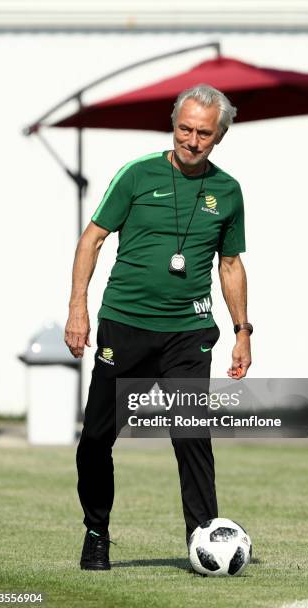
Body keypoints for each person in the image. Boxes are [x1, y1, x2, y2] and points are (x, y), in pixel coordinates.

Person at [64, 84, 252, 570]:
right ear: (174, 124)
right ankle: (96, 531)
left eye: (203, 133)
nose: (191, 140)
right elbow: (92, 240)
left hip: (188, 333)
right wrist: (78, 310)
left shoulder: (228, 191)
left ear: (220, 137)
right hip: (124, 327)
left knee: (192, 434)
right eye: (185, 128)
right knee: (97, 438)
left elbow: (230, 265)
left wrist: (242, 331)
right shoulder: (136, 174)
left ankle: (203, 536)